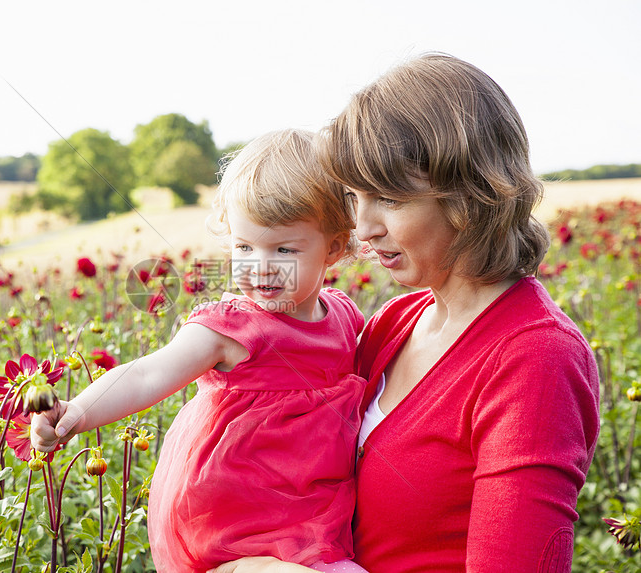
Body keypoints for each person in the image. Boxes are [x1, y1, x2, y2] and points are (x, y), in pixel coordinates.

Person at [209, 54, 600, 573]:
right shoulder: (397, 321)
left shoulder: (536, 358)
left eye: (388, 198)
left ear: (470, 193)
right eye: (354, 196)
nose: (363, 226)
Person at [31, 129, 370, 572]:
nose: (259, 267)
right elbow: (146, 374)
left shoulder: (345, 319)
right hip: (231, 521)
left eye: (284, 249)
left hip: (304, 510)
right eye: (244, 247)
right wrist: (80, 409)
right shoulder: (229, 328)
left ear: (336, 247)